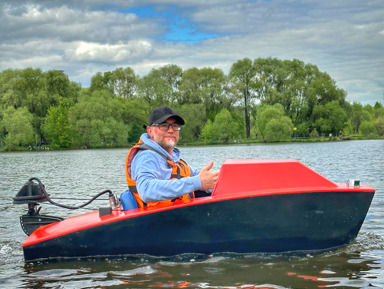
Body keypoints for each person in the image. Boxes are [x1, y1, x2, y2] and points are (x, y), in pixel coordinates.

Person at [125, 106, 219, 208]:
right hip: (155, 221)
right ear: (150, 131)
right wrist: (197, 182)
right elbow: (147, 190)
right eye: (164, 125)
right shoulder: (146, 156)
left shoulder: (175, 160)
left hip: (179, 217)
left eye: (175, 126)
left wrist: (220, 181)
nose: (171, 130)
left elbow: (203, 178)